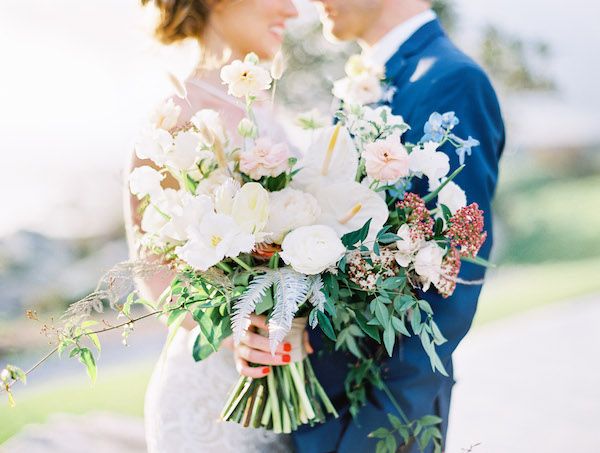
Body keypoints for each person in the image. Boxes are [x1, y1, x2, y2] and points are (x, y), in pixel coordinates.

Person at [290, 1, 506, 452]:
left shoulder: (452, 80)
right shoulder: (362, 82)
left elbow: (449, 285)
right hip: (315, 412)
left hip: (378, 423)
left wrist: (375, 438)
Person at [126, 1, 298, 452]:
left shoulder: (263, 103)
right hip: (210, 400)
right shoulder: (175, 112)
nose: (294, 9)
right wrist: (230, 330)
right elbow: (152, 272)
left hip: (282, 386)